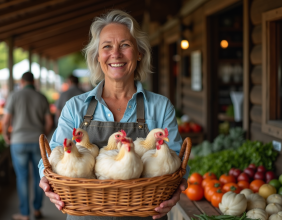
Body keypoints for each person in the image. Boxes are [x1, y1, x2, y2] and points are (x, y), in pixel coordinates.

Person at [38, 10, 189, 220]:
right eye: (107, 46)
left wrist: (178, 188)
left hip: (145, 214)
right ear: (97, 56)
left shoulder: (160, 106)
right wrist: (45, 179)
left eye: (125, 45)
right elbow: (51, 157)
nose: (115, 54)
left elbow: (179, 163)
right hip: (85, 215)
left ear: (139, 53)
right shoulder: (75, 107)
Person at [2, 72, 53, 220]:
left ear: (22, 81)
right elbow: (49, 121)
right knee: (40, 176)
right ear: (33, 81)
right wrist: (42, 135)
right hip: (37, 142)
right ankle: (37, 210)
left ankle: (24, 214)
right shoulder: (41, 97)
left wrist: (6, 135)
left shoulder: (14, 95)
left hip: (18, 142)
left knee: (22, 177)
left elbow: (5, 121)